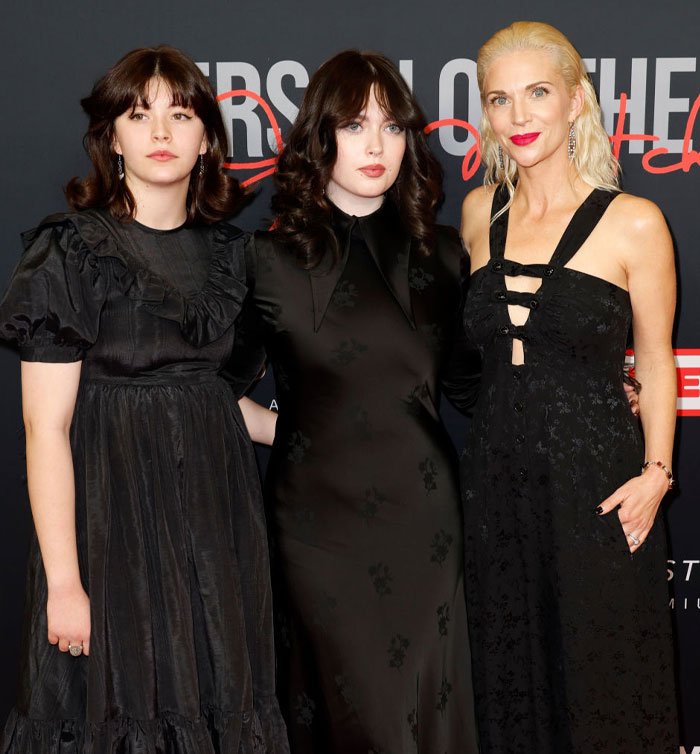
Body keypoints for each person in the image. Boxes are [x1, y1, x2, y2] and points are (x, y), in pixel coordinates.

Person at [0, 45, 288, 754]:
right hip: (111, 527)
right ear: (112, 138)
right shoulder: (69, 253)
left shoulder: (233, 258)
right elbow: (46, 429)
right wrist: (65, 583)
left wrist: (335, 430)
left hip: (217, 530)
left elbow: (219, 403)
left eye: (181, 114)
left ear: (206, 139)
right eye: (140, 114)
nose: (161, 133)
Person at [237, 50, 479, 753]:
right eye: (353, 125)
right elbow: (206, 390)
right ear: (320, 137)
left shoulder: (446, 256)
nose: (377, 146)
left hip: (426, 524)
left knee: (422, 715)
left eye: (393, 127)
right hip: (315, 529)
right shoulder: (266, 260)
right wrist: (285, 431)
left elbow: (471, 388)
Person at [459, 21, 677, 753]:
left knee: (606, 683)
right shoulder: (476, 215)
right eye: (499, 99)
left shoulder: (636, 223)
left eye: (537, 93)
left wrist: (656, 472)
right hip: (494, 489)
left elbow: (655, 360)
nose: (518, 117)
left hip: (597, 489)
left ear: (576, 100)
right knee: (510, 686)